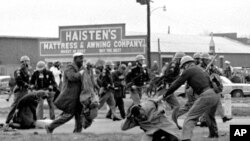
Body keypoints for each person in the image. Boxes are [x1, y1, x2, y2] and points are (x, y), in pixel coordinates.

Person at [162, 55, 220, 141]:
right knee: (209, 115)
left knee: (190, 118)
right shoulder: (200, 69)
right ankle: (214, 135)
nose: (183, 69)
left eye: (183, 67)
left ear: (186, 64)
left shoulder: (189, 70)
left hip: (206, 95)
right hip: (216, 95)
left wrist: (166, 94)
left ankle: (186, 139)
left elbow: (177, 83)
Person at [45, 52, 84, 134]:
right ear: (75, 59)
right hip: (70, 96)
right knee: (68, 115)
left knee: (79, 115)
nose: (82, 60)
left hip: (77, 96)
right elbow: (72, 77)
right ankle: (50, 126)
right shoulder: (69, 68)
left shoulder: (80, 68)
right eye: (80, 58)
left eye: (82, 58)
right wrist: (80, 74)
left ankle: (77, 132)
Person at [5, 55, 31, 126]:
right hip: (20, 91)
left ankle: (22, 120)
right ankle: (8, 120)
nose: (28, 63)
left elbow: (29, 80)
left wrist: (30, 85)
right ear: (24, 62)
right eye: (27, 62)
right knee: (15, 105)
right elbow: (19, 80)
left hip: (26, 91)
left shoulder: (27, 71)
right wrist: (26, 84)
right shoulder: (18, 71)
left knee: (25, 106)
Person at [79, 60, 99, 129]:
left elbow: (93, 80)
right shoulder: (82, 71)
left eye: (91, 66)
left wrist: (96, 87)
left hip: (90, 92)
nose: (90, 67)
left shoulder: (91, 71)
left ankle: (86, 122)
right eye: (89, 66)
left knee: (92, 106)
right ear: (87, 65)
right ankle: (84, 123)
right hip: (84, 92)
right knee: (86, 107)